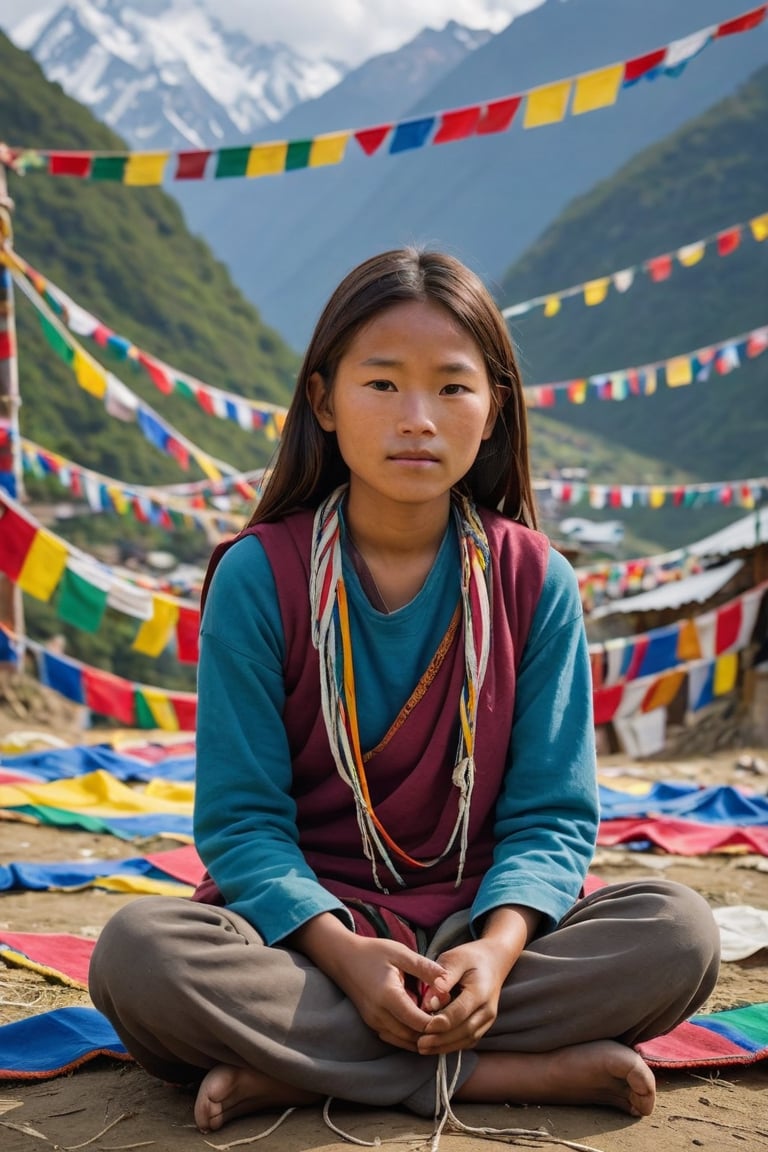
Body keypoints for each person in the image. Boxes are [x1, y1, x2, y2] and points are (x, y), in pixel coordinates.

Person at [89, 248, 720, 1136]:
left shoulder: (534, 581)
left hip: (486, 923)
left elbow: (551, 819)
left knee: (679, 933)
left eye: (453, 388)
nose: (417, 419)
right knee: (137, 957)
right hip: (310, 938)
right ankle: (508, 1072)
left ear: (494, 407)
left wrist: (495, 955)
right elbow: (243, 827)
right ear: (323, 401)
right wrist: (343, 956)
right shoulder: (259, 578)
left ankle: (307, 1073)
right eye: (382, 385)